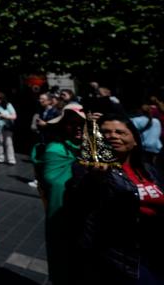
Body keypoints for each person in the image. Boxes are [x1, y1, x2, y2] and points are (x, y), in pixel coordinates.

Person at [68, 114, 164, 284]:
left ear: (134, 140)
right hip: (119, 256)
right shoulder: (87, 168)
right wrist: (94, 178)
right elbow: (78, 200)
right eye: (105, 132)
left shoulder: (148, 169)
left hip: (154, 250)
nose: (113, 136)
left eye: (120, 132)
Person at [30, 103, 85, 284]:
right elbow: (57, 183)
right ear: (63, 125)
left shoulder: (90, 148)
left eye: (82, 123)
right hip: (62, 216)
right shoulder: (55, 149)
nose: (78, 127)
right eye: (71, 122)